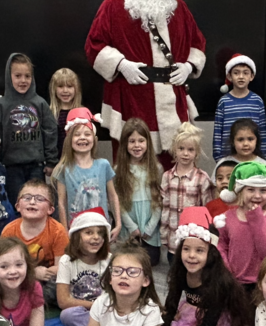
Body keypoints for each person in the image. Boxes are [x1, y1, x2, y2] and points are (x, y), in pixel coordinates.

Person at [85, 0, 206, 157]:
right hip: (131, 95)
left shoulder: (178, 6)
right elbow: (94, 44)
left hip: (172, 97)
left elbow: (197, 43)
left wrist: (188, 66)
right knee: (132, 162)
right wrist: (121, 65)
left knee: (175, 160)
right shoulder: (114, 4)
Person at [159, 207, 252, 326]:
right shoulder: (180, 272)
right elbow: (170, 308)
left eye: (199, 250)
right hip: (190, 316)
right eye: (186, 249)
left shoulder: (219, 282)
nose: (191, 256)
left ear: (210, 253)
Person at [0, 53, 59, 205]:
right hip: (11, 168)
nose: (23, 80)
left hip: (36, 167)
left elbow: (50, 132)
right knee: (18, 204)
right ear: (9, 77)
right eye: (18, 76)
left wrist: (51, 162)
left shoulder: (40, 103)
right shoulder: (1, 105)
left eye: (27, 76)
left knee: (37, 202)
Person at [0, 180, 69, 308]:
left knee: (59, 284)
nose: (32, 202)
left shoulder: (58, 231)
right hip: (18, 276)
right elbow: (3, 265)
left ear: (50, 209)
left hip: (46, 278)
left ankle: (27, 302)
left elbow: (61, 267)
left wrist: (42, 274)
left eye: (39, 199)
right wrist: (31, 273)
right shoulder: (9, 230)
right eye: (26, 198)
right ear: (17, 206)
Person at [53, 108, 121, 235]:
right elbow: (61, 202)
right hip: (76, 229)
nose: (82, 138)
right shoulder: (63, 169)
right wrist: (64, 230)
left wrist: (118, 224)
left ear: (94, 139)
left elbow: (113, 196)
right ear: (69, 140)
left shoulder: (103, 165)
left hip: (101, 228)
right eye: (77, 134)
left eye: (87, 134)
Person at [215, 162, 266, 291]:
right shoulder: (228, 217)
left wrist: (257, 220)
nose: (257, 195)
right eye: (250, 190)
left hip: (262, 284)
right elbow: (221, 245)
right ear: (240, 191)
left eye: (263, 190)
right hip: (233, 281)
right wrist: (226, 269)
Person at [160, 123, 213, 262]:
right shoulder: (167, 176)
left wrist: (206, 236)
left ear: (196, 153)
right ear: (174, 149)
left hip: (193, 241)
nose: (185, 153)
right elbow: (165, 208)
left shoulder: (202, 178)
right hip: (173, 240)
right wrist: (163, 235)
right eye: (181, 148)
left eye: (190, 150)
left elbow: (207, 211)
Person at [114, 118, 163, 266]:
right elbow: (118, 203)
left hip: (150, 230)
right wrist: (132, 227)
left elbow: (159, 201)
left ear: (148, 142)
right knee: (128, 262)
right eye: (132, 141)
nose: (137, 145)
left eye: (141, 140)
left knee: (150, 261)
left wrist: (150, 228)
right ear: (125, 144)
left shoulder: (156, 168)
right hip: (129, 228)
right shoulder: (118, 170)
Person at [57, 208, 113, 326]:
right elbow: (63, 301)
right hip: (83, 311)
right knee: (67, 315)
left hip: (106, 310)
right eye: (89, 232)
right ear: (77, 236)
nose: (96, 237)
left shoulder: (110, 260)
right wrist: (94, 306)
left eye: (100, 233)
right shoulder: (66, 261)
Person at [214, 53, 266, 159]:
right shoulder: (223, 102)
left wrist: (265, 156)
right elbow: (218, 131)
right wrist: (218, 157)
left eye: (245, 73)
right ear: (229, 76)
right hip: (228, 156)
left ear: (251, 76)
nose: (241, 77)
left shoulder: (257, 101)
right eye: (236, 73)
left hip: (253, 157)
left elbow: (262, 130)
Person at [48, 67, 83, 159]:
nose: (65, 90)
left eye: (69, 86)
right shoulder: (49, 113)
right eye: (60, 86)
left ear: (76, 89)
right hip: (56, 161)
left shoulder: (82, 113)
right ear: (54, 89)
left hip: (78, 160)